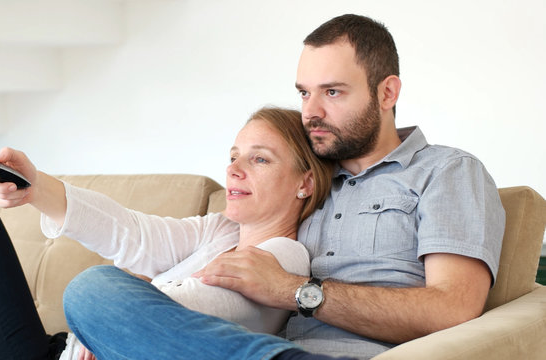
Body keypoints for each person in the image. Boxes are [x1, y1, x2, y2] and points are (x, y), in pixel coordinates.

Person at [61, 14, 506, 360]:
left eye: (332, 92)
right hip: (251, 346)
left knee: (91, 292)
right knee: (98, 289)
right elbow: (165, 242)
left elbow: (453, 309)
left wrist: (293, 290)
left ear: (387, 92)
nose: (311, 112)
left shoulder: (445, 171)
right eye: (304, 93)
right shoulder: (298, 178)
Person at [0, 107, 335, 359]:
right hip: (57, 346)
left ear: (304, 183)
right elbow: (132, 235)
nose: (234, 169)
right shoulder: (221, 230)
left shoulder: (286, 259)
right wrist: (35, 186)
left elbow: (177, 314)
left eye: (259, 159)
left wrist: (119, 305)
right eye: (233, 155)